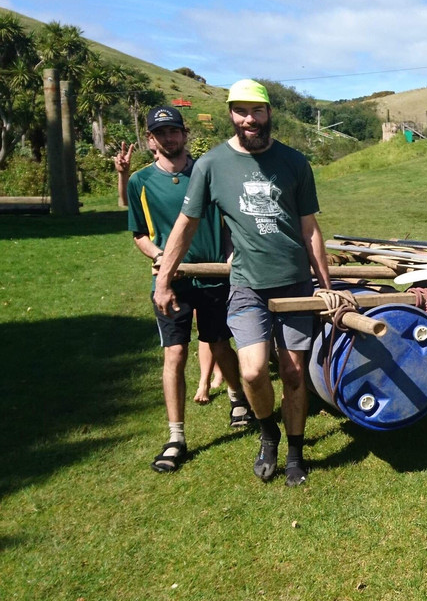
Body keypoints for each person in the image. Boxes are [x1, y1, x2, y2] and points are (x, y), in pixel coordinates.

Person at [154, 79, 333, 487]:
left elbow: (310, 229)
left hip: (294, 285)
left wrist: (325, 284)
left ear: (269, 113)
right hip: (248, 285)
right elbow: (186, 225)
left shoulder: (294, 163)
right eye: (241, 111)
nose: (249, 119)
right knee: (252, 373)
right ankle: (268, 434)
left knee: (292, 374)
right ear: (231, 114)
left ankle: (294, 452)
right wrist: (164, 278)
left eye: (257, 110)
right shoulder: (212, 165)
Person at [116, 106, 249, 474]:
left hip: (213, 277)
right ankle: (176, 436)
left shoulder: (207, 173)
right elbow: (139, 234)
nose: (169, 138)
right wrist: (160, 257)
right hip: (170, 283)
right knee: (174, 354)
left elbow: (227, 221)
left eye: (174, 131)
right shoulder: (140, 182)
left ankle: (238, 399)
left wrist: (229, 258)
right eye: (161, 133)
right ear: (150, 140)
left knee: (220, 343)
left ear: (185, 134)